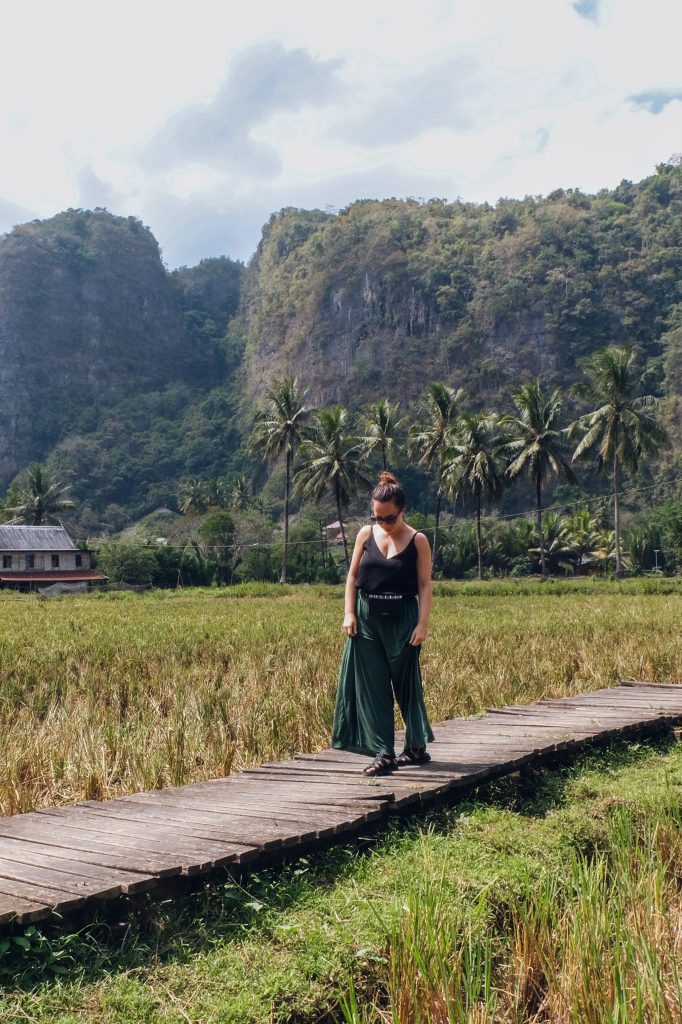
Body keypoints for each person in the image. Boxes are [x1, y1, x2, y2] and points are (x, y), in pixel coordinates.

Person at [331, 471, 435, 775]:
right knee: (373, 686)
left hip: (403, 619)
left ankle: (415, 746)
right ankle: (384, 752)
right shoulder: (365, 534)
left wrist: (423, 623)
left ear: (402, 511)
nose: (382, 524)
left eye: (388, 519)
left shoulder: (418, 540)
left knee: (407, 685)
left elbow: (425, 585)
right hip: (366, 618)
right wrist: (349, 613)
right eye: (377, 517)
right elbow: (351, 577)